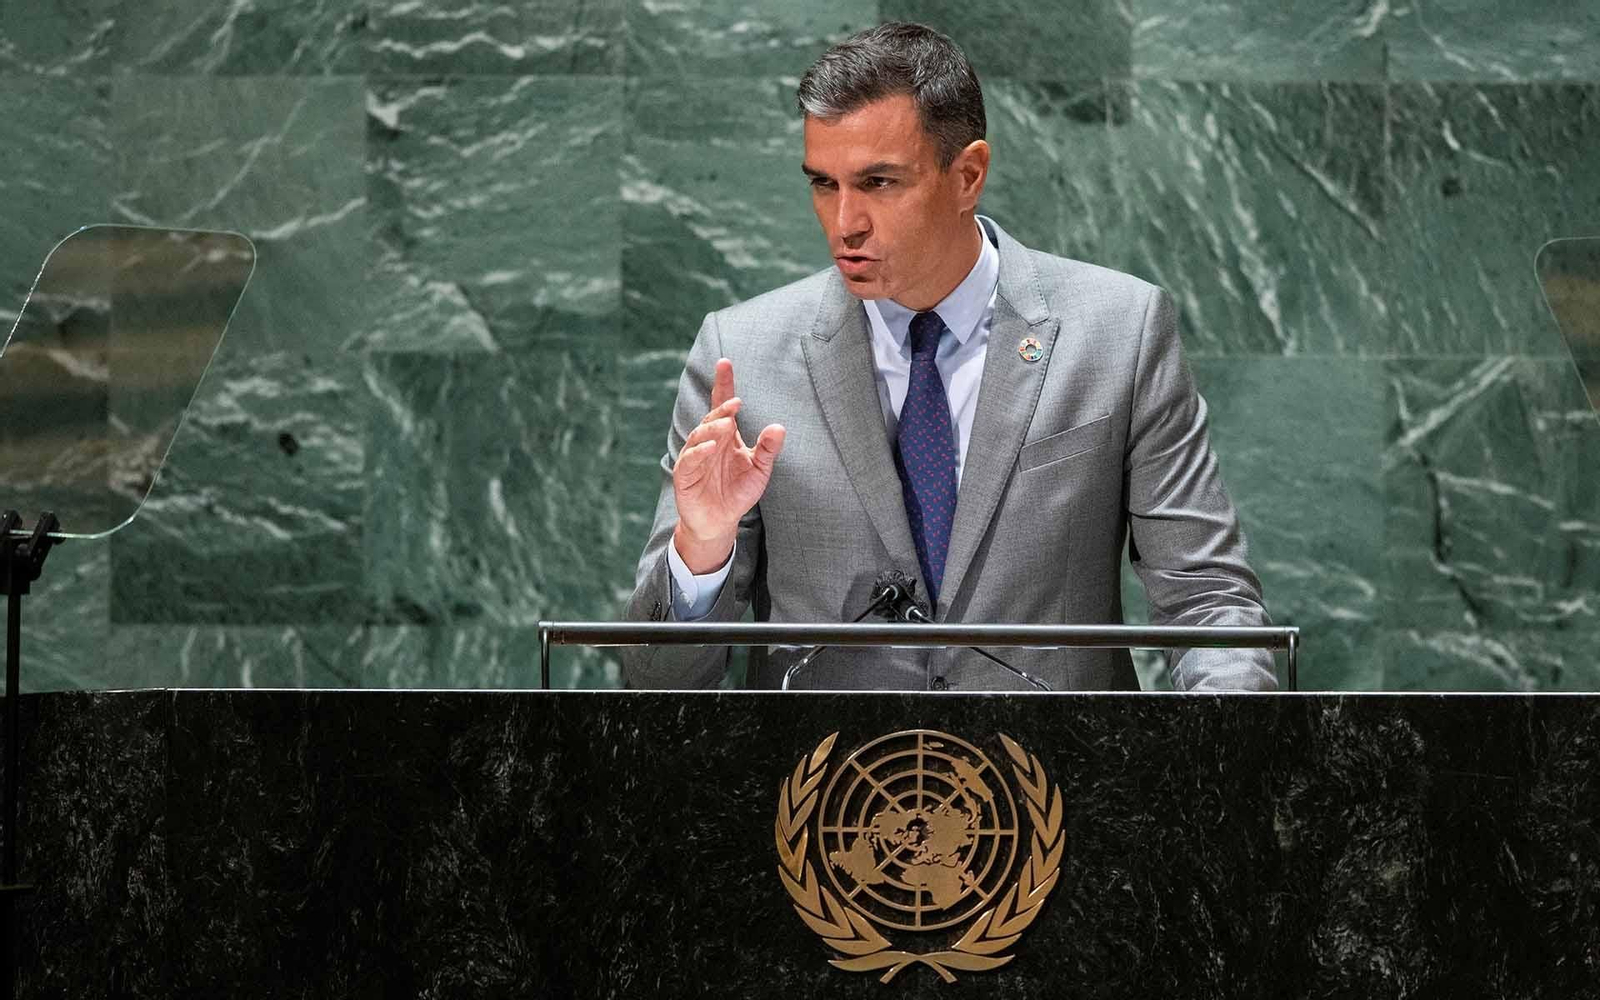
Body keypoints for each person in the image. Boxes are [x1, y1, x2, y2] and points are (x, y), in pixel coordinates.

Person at [621, 22, 1277, 692]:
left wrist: (1226, 740)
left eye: (878, 182)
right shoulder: (740, 356)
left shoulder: (1119, 332)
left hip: (1059, 760)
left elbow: (1207, 602)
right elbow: (656, 684)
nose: (844, 222)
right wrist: (702, 547)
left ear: (967, 175)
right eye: (823, 184)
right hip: (827, 763)